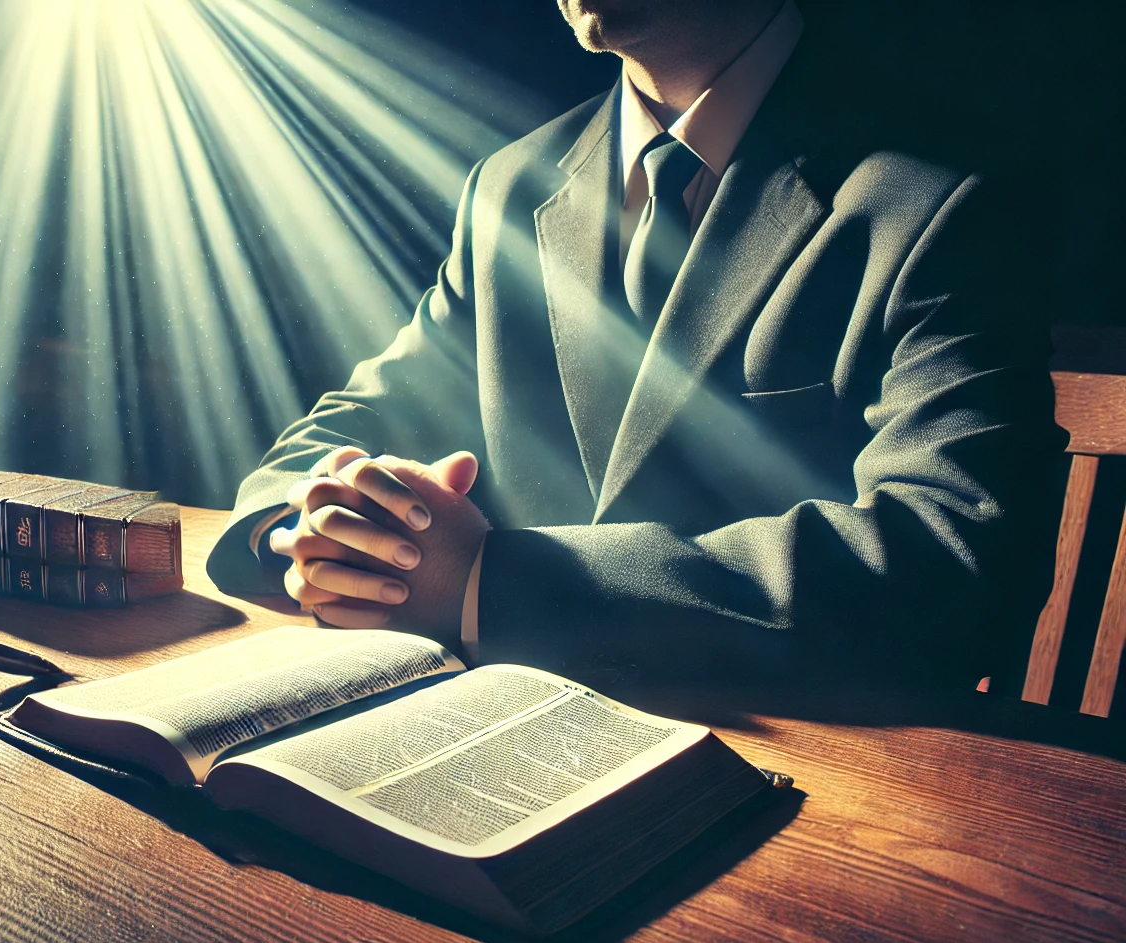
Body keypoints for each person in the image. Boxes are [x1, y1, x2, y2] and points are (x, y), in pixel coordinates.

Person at [204, 0, 1066, 687]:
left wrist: (488, 584)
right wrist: (309, 529)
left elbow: (953, 565)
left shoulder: (945, 192)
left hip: (809, 779)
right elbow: (353, 425)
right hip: (495, 726)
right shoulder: (511, 186)